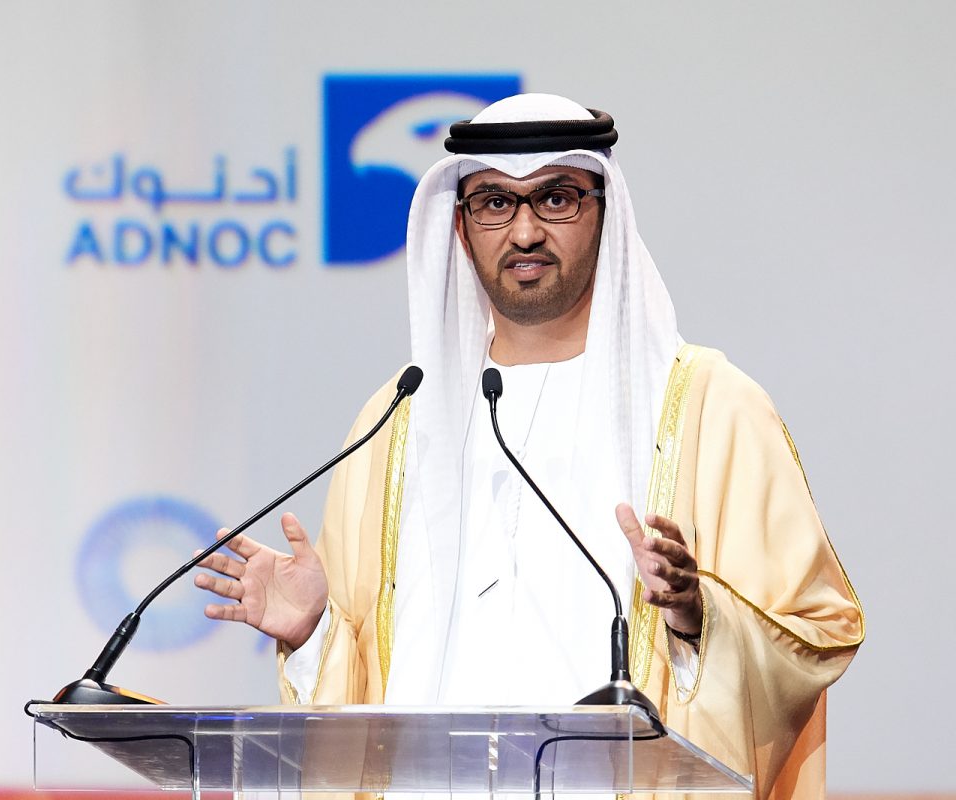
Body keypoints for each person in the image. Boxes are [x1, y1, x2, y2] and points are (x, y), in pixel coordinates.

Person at [193, 93, 863, 799]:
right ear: (460, 226)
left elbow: (815, 632)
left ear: (605, 212)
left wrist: (699, 616)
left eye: (556, 199)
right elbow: (366, 702)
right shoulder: (399, 418)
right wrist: (313, 632)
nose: (524, 232)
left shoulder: (709, 406)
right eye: (494, 203)